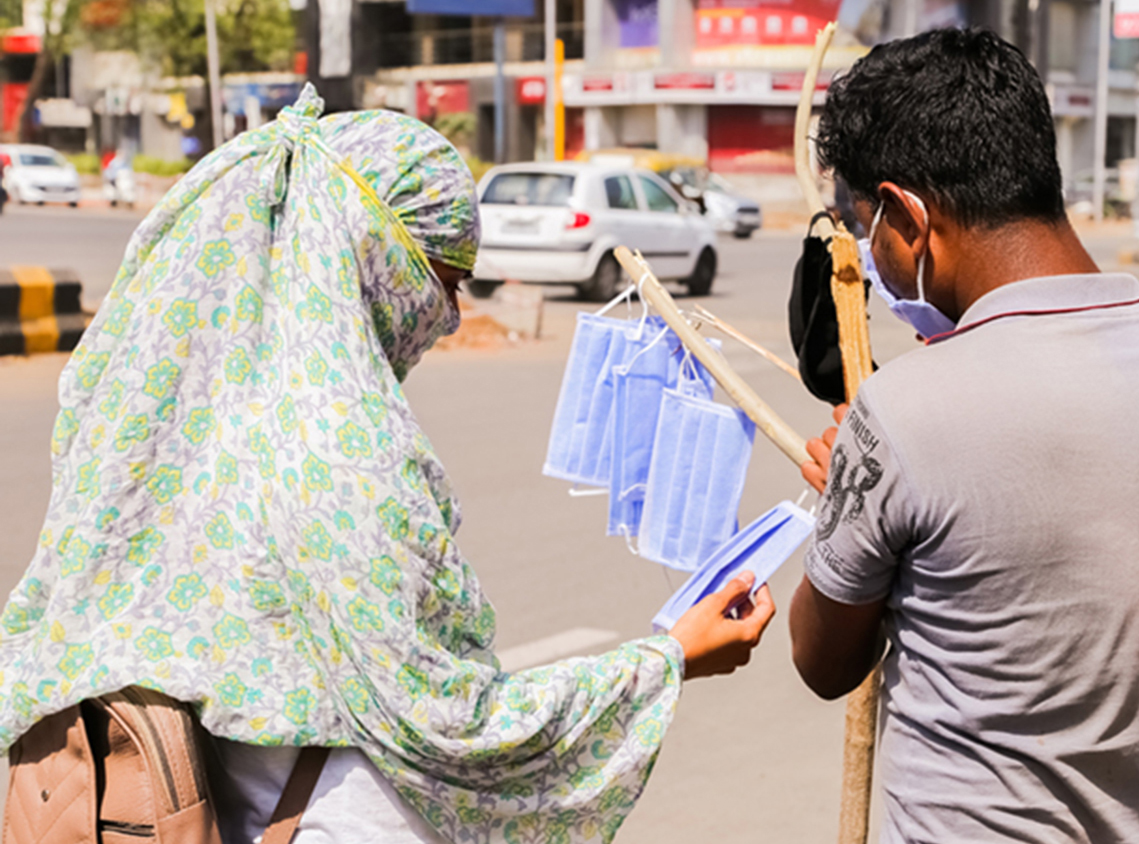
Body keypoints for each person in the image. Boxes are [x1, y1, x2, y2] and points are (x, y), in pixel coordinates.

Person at [0, 85, 774, 844]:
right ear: (375, 255)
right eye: (444, 283)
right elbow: (451, 726)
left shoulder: (160, 419)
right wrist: (671, 659)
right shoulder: (341, 453)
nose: (449, 319)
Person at [790, 29, 1139, 843]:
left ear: (910, 216)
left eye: (869, 227)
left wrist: (844, 494)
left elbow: (824, 661)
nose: (872, 255)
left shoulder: (907, 409)